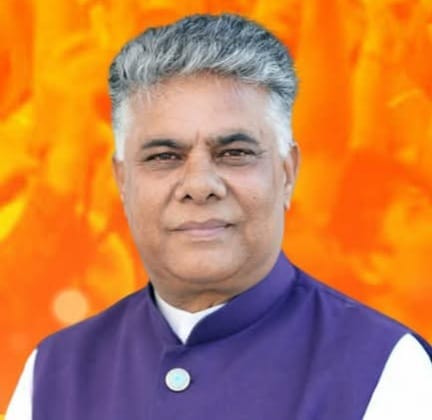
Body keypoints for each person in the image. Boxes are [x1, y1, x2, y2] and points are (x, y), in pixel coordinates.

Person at [6, 13, 432, 420]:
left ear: (286, 172)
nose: (199, 184)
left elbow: (327, 140)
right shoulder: (53, 373)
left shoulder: (385, 369)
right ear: (123, 179)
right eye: (164, 156)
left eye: (234, 153)